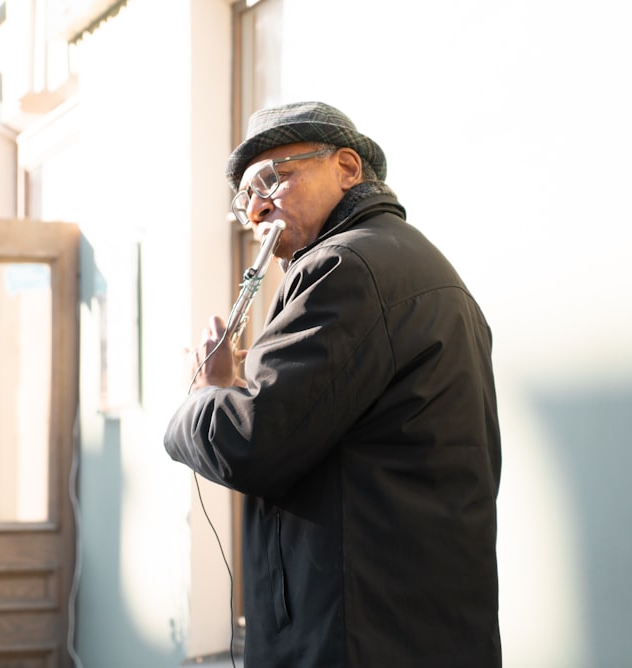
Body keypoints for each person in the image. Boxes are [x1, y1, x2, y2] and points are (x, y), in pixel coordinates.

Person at [164, 101, 501, 667]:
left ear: (347, 168)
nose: (256, 209)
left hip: (358, 636)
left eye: (274, 178)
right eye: (245, 197)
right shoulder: (409, 263)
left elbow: (251, 442)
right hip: (413, 625)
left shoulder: (343, 268)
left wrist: (205, 395)